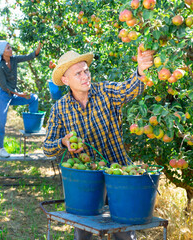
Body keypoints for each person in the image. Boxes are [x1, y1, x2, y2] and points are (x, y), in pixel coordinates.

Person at [43, 47, 154, 240]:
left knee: (125, 235)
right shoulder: (60, 109)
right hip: (86, 183)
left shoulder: (105, 92)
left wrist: (141, 70)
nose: (85, 76)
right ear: (65, 80)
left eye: (86, 70)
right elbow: (47, 148)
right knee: (83, 234)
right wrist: (63, 142)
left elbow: (131, 87)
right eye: (78, 73)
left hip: (119, 176)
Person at [0, 40, 42, 158]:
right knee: (1, 122)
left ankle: (33, 126)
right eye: (8, 48)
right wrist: (19, 94)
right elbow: (4, 86)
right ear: (2, 52)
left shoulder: (13, 59)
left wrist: (37, 50)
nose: (11, 49)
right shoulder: (0, 67)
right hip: (2, 95)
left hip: (12, 94)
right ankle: (0, 148)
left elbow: (27, 57)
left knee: (33, 98)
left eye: (10, 47)